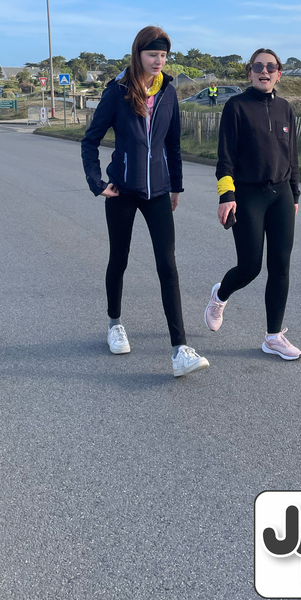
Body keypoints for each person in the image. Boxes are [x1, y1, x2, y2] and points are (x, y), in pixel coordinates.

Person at [81, 25, 209, 378]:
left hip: (158, 191)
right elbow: (90, 141)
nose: (159, 61)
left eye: (163, 55)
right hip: (122, 190)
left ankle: (180, 349)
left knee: (167, 265)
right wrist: (97, 183)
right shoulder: (117, 92)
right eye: (153, 54)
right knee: (119, 259)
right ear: (138, 53)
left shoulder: (168, 91)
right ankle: (114, 324)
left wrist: (176, 186)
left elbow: (173, 145)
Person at [204, 49, 301, 360]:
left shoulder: (286, 109)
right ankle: (220, 295)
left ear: (279, 74)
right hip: (247, 195)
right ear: (249, 73)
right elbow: (225, 157)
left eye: (271, 67)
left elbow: (292, 156)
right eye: (258, 66)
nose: (264, 71)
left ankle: (273, 337)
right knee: (250, 267)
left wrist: (295, 195)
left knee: (281, 266)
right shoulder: (236, 107)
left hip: (281, 194)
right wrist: (226, 196)